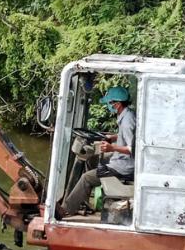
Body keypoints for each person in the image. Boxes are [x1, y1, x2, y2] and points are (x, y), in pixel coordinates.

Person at [57, 86, 136, 219]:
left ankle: (66, 209)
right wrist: (113, 137)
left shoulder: (127, 121)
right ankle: (82, 200)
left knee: (87, 177)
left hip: (123, 166)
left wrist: (112, 148)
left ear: (117, 104)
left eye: (110, 103)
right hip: (121, 159)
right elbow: (128, 136)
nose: (108, 106)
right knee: (91, 160)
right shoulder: (126, 115)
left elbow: (132, 149)